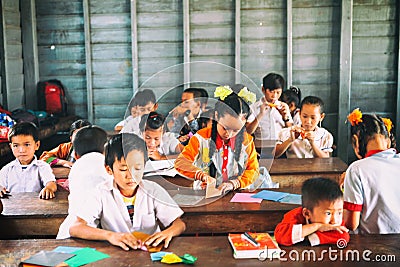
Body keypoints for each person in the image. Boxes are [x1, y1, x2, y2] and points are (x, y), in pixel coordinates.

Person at [68, 133, 186, 250]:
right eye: (123, 169)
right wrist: (110, 236)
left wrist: (167, 233)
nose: (131, 176)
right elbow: (76, 227)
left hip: (150, 251)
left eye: (138, 168)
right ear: (109, 169)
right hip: (116, 253)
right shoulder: (101, 192)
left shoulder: (153, 190)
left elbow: (179, 224)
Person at [175, 85, 259, 192]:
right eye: (225, 127)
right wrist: (201, 175)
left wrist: (235, 183)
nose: (228, 134)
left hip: (237, 194)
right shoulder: (201, 138)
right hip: (204, 194)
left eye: (236, 130)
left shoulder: (246, 141)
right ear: (216, 115)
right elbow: (180, 163)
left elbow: (253, 170)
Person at [343, 109, 400, 233]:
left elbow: (351, 224)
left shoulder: (356, 169)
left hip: (373, 246)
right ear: (388, 141)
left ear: (355, 141)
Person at [57, 125, 112, 238]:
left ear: (76, 155)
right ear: (106, 151)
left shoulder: (76, 167)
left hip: (70, 229)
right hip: (99, 230)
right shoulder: (108, 165)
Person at [274, 177, 350, 246]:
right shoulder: (295, 215)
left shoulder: (336, 223)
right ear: (307, 213)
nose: (335, 220)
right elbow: (281, 237)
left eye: (339, 213)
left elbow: (343, 237)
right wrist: (317, 226)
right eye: (328, 213)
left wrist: (306, 235)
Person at [0, 122, 57, 199]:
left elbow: (51, 183)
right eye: (16, 145)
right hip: (12, 208)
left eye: (27, 144)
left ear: (37, 145)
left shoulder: (43, 167)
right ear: (11, 147)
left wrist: (49, 189)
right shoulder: (6, 170)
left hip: (36, 207)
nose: (22, 150)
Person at [246, 73, 293, 141]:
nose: (274, 96)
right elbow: (249, 131)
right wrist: (260, 115)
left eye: (278, 92)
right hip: (261, 147)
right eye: (271, 92)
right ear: (263, 89)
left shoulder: (284, 106)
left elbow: (291, 131)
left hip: (281, 146)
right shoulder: (253, 107)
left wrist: (285, 118)